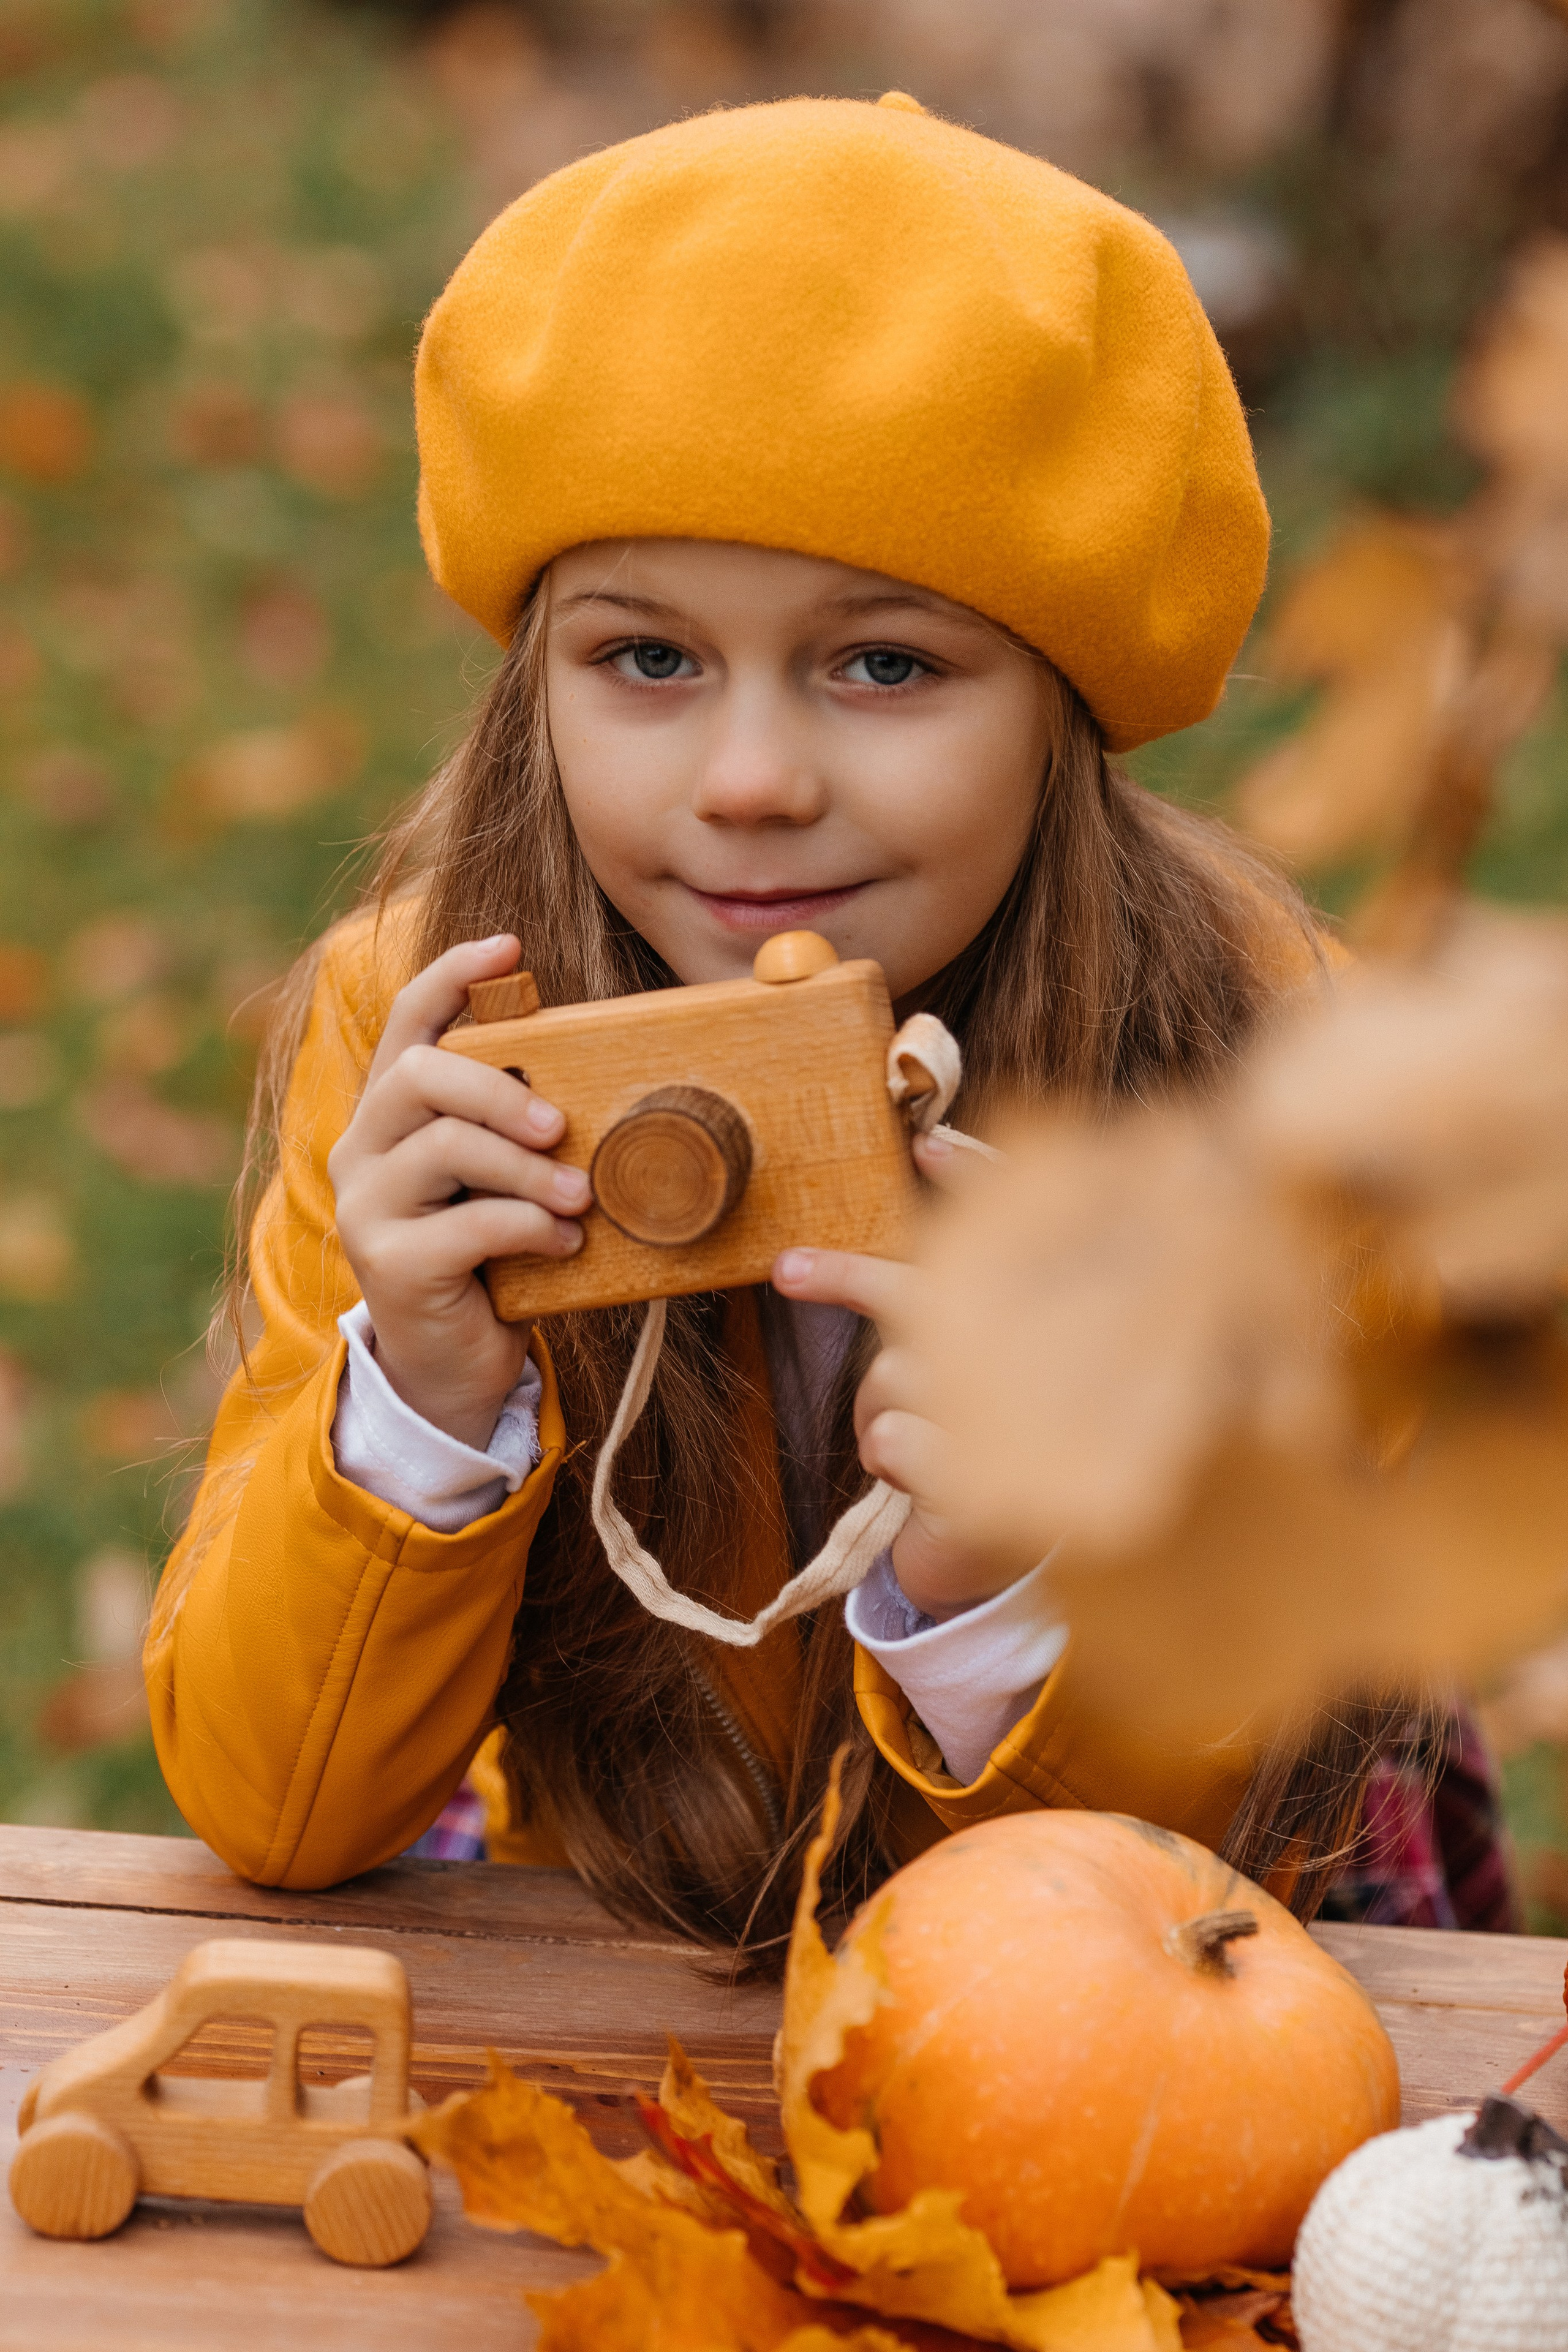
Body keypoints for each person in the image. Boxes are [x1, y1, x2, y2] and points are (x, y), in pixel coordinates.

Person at [144, 94, 1511, 1957]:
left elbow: (1148, 1966)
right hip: (607, 1930)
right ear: (536, 678)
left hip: (1169, 1933)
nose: (756, 780)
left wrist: (1002, 1584)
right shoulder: (440, 1031)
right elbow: (271, 1807)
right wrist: (420, 1408)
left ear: (1064, 700)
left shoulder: (1266, 1079)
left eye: (886, 664)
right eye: (648, 659)